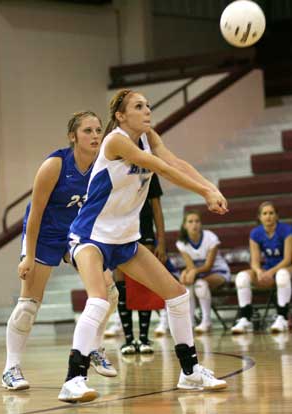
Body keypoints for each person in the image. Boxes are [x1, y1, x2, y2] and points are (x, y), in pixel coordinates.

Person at [58, 89, 228, 404]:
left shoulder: (148, 135)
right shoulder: (116, 140)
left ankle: (190, 372)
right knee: (98, 300)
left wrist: (209, 185)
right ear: (121, 115)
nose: (147, 110)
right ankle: (73, 379)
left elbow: (174, 161)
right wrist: (204, 193)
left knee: (177, 295)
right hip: (91, 236)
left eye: (148, 105)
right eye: (138, 106)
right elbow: (161, 169)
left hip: (125, 239)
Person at [2, 111, 118, 391]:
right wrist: (28, 255)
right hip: (46, 233)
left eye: (98, 130)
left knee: (108, 291)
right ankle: (11, 368)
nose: (95, 136)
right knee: (28, 305)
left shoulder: (103, 164)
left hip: (78, 232)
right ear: (73, 136)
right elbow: (35, 214)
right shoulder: (55, 164)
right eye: (88, 131)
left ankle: (93, 349)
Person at [106, 173, 166, 354]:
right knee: (121, 283)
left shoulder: (147, 168)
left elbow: (156, 207)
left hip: (144, 230)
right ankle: (129, 340)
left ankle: (144, 338)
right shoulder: (110, 166)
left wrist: (161, 241)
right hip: (117, 231)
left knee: (144, 283)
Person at [231, 201, 292, 334]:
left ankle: (282, 317)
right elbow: (254, 261)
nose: (268, 216)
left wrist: (270, 272)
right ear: (259, 217)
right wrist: (259, 271)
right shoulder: (255, 233)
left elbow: (287, 259)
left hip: (286, 268)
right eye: (265, 213)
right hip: (269, 269)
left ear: (277, 215)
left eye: (271, 213)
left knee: (282, 275)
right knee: (241, 277)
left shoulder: (286, 230)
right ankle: (245, 318)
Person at [176, 210, 231, 333]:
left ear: (201, 224)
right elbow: (191, 266)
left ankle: (206, 321)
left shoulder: (211, 238)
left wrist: (191, 272)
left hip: (218, 271)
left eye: (197, 221)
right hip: (200, 274)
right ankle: (190, 321)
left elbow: (208, 266)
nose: (194, 224)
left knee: (200, 285)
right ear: (184, 225)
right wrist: (186, 272)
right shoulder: (181, 243)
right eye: (190, 221)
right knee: (187, 286)